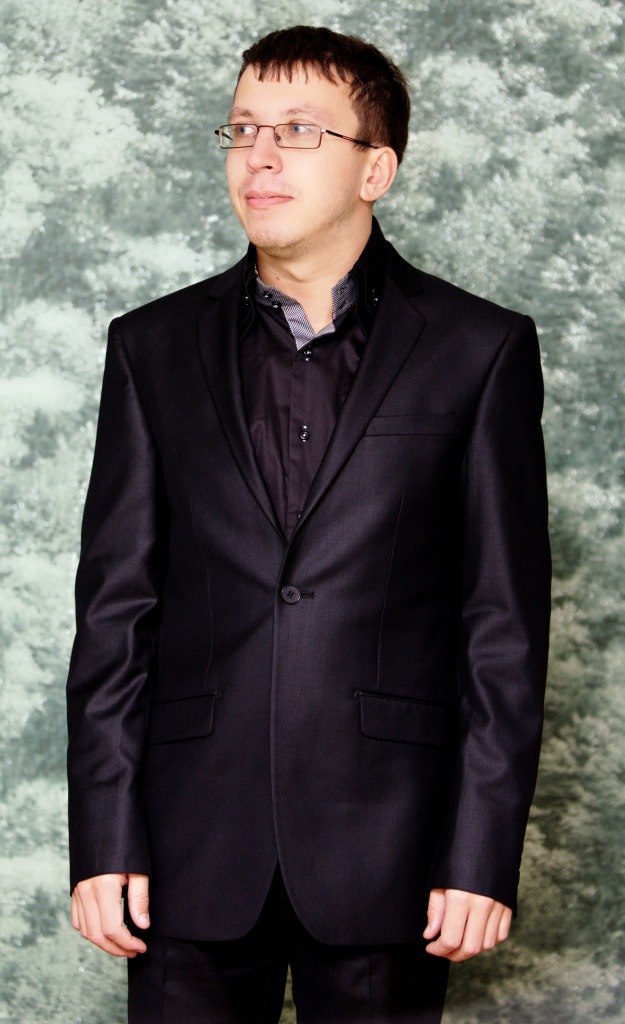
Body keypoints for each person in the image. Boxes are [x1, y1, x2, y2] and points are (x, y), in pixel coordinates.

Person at [66, 25, 551, 1024]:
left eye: (297, 130)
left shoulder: (479, 349)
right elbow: (116, 613)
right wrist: (105, 838)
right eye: (242, 129)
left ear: (376, 169)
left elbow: (501, 626)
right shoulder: (150, 347)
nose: (260, 155)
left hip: (393, 847)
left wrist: (478, 851)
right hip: (185, 848)